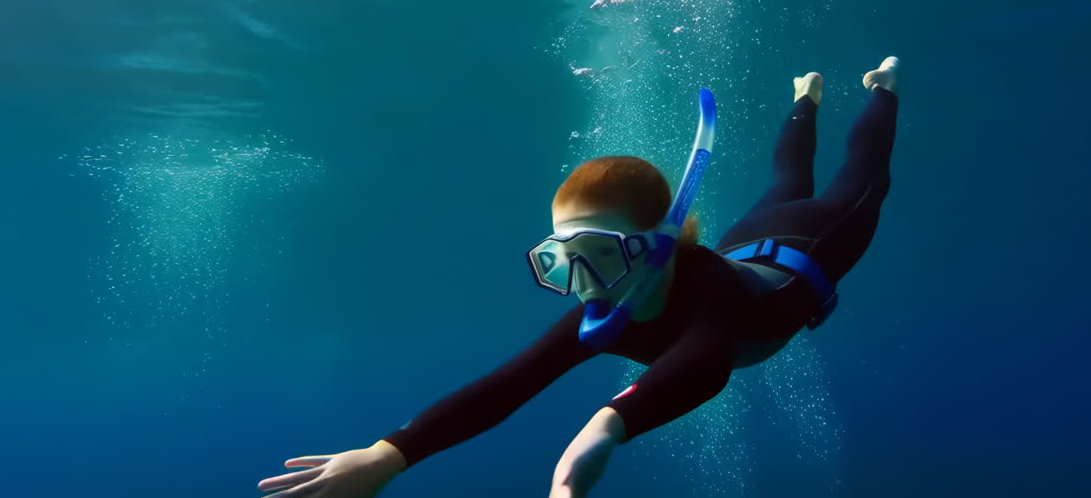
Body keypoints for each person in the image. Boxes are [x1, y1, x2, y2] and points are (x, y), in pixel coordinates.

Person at [257, 56, 902, 498]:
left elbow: (701, 367)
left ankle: (882, 89)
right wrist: (386, 455)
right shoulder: (607, 302)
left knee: (863, 180)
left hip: (812, 247)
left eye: (600, 252)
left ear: (660, 244)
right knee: (786, 180)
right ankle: (805, 97)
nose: (586, 280)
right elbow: (508, 385)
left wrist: (599, 432)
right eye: (561, 260)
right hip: (752, 241)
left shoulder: (709, 303)